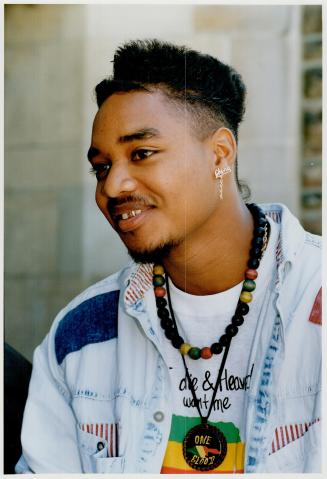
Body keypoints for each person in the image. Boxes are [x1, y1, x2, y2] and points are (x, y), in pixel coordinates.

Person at [16, 39, 321, 474]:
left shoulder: (314, 300)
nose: (113, 186)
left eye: (141, 154)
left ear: (220, 155)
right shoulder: (80, 338)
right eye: (102, 167)